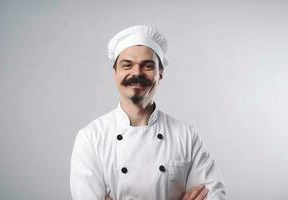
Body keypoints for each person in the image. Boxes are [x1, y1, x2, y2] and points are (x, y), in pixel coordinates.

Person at [70, 25, 226, 200]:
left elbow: (214, 195)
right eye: (127, 65)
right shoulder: (91, 138)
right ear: (115, 74)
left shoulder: (186, 136)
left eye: (148, 66)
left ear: (160, 75)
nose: (136, 72)